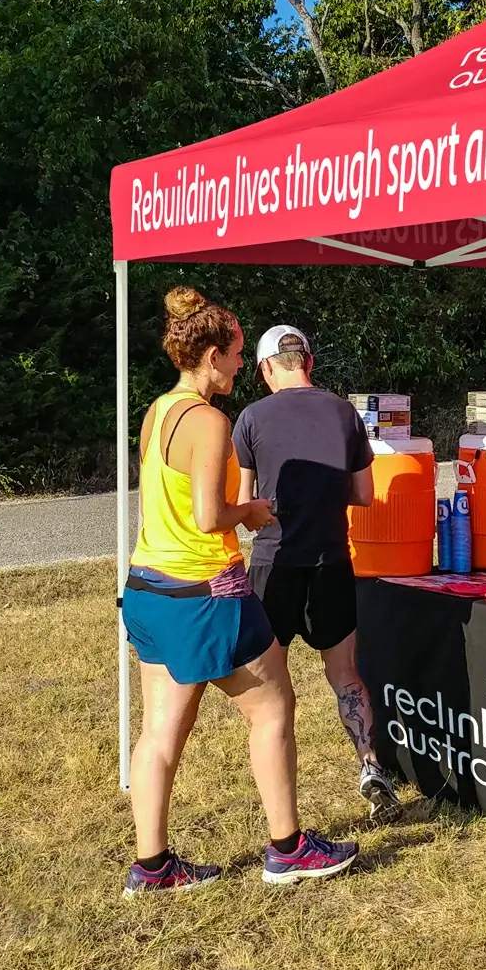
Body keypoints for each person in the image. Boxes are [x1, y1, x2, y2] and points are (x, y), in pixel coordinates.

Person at [124, 288, 356, 895]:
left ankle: (152, 868)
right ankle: (288, 848)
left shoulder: (157, 411)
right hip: (205, 592)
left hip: (149, 587)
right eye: (230, 354)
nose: (236, 366)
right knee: (274, 703)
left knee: (158, 733)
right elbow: (208, 516)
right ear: (207, 355)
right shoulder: (209, 420)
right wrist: (250, 511)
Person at [232, 323, 403, 823]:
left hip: (274, 561)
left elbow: (246, 504)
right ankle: (370, 765)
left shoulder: (250, 418)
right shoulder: (344, 411)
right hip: (331, 559)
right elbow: (365, 494)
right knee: (345, 674)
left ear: (265, 367)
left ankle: (280, 798)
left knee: (270, 689)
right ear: (307, 360)